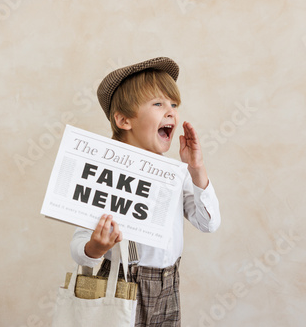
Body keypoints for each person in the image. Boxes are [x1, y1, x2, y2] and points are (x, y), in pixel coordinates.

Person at [70, 57, 221, 326]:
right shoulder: (106, 174)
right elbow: (78, 248)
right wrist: (95, 247)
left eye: (174, 104)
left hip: (168, 286)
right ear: (124, 120)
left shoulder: (175, 173)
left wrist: (196, 169)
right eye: (158, 104)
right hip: (120, 283)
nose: (171, 112)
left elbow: (208, 223)